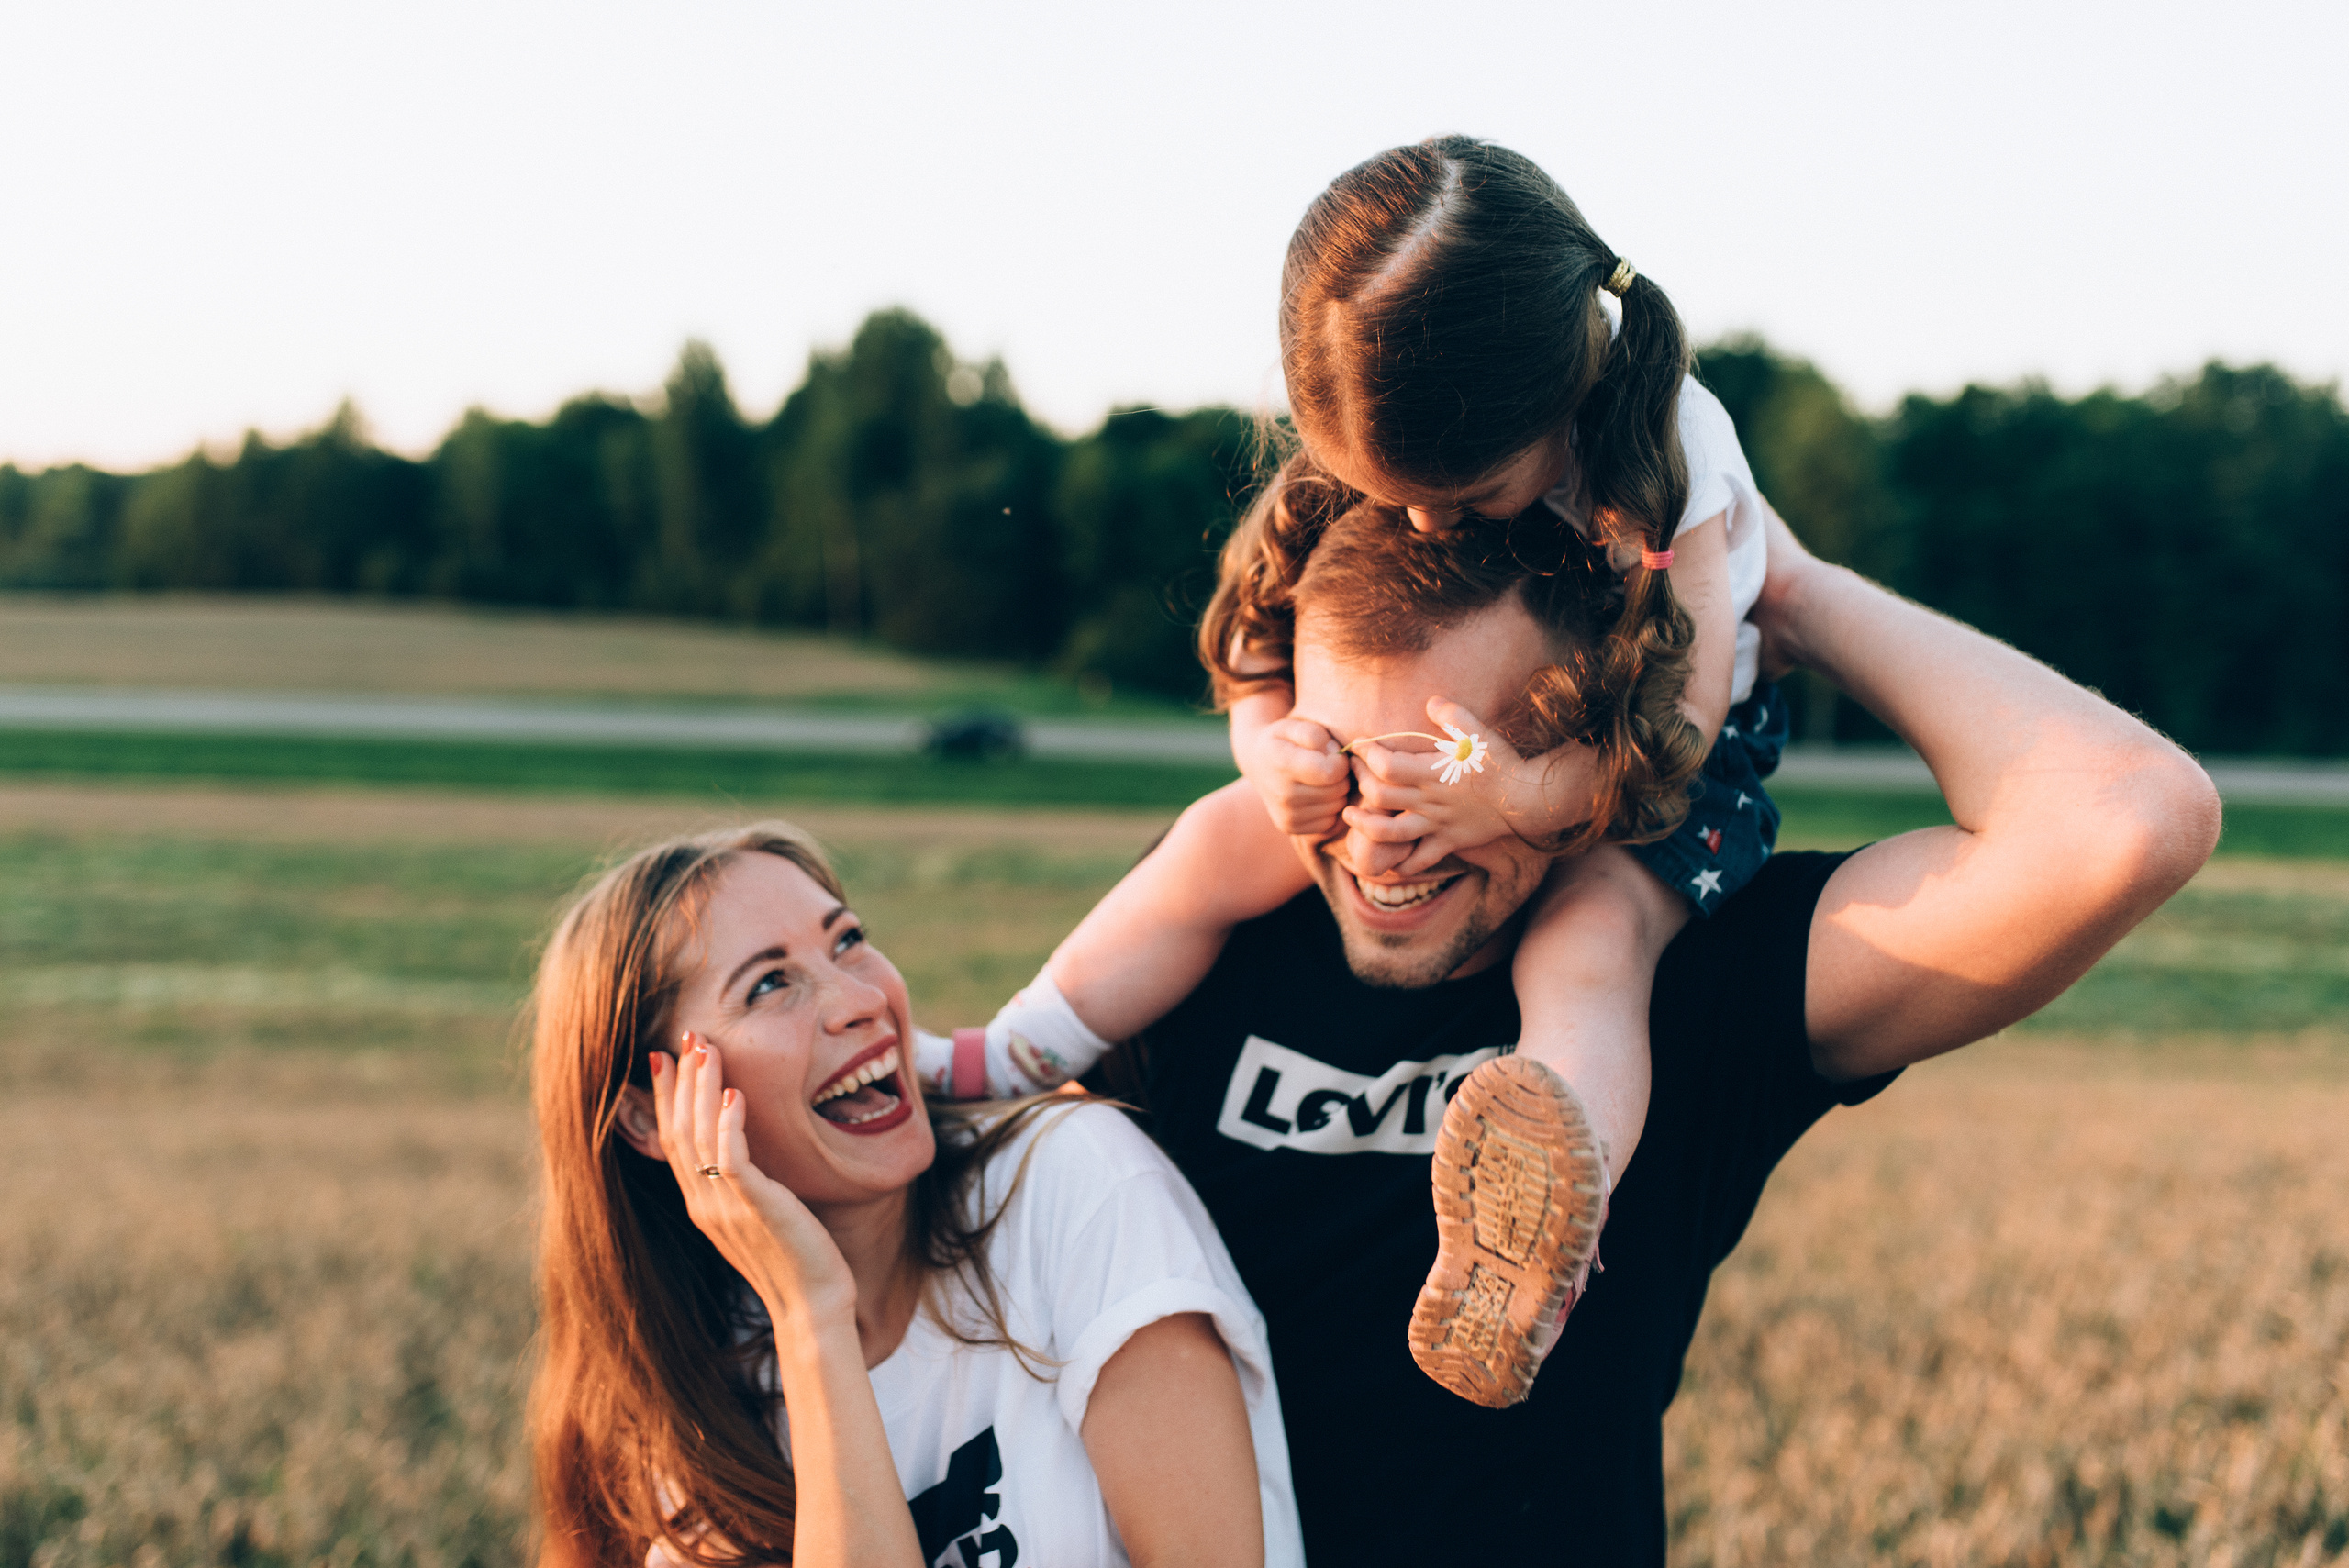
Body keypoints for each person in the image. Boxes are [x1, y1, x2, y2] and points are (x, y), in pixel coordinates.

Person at [1065, 499, 2216, 1562]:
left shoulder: (1691, 977)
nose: (1381, 841)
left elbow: (2129, 821)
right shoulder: (1207, 940)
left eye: (1451, 771)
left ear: (1581, 762)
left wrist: (1789, 589)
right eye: (1341, 766)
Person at [913, 135, 1780, 1407]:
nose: (1422, 521)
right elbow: (1252, 644)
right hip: (1456, 742)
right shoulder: (1391, 419)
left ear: (1548, 407)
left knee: (1588, 947)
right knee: (1212, 842)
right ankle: (1007, 1058)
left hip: (1644, 763)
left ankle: (1546, 1211)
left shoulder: (1674, 441)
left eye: (1461, 493)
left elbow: (1685, 720)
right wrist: (1276, 756)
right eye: (1387, 494)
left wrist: (1528, 795)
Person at [524, 823, 1305, 1568]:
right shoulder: (690, 1402)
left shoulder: (1068, 1183)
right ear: (647, 1113)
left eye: (848, 941)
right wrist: (812, 1320)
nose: (861, 999)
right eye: (770, 984)